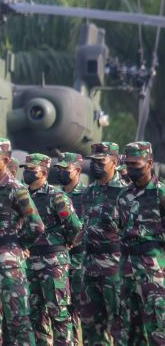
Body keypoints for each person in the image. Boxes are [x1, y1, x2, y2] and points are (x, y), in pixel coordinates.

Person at [0, 137, 44, 345]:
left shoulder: (16, 189)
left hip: (9, 265)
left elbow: (36, 225)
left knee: (18, 323)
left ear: (5, 160)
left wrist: (19, 246)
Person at [21, 153, 81, 345]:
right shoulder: (21, 197)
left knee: (59, 315)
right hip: (29, 263)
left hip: (54, 263)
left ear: (44, 172)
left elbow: (75, 226)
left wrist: (65, 243)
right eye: (26, 169)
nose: (28, 173)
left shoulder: (57, 197)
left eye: (32, 169)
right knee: (35, 315)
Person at [116, 141, 165, 344]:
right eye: (128, 164)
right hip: (127, 270)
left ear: (149, 163)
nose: (131, 169)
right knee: (129, 332)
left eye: (136, 164)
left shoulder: (160, 193)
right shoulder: (123, 195)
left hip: (153, 273)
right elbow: (121, 229)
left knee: (157, 330)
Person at [80, 142, 126, 345]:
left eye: (101, 161)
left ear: (114, 162)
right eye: (93, 161)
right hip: (90, 266)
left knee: (118, 324)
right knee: (91, 327)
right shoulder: (89, 192)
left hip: (114, 268)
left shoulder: (125, 193)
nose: (95, 166)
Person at [54, 152, 87, 345]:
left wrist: (70, 240)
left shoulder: (86, 195)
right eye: (59, 169)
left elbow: (84, 226)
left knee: (83, 310)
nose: (61, 172)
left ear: (77, 170)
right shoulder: (55, 195)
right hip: (58, 262)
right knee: (64, 312)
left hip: (79, 259)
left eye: (65, 169)